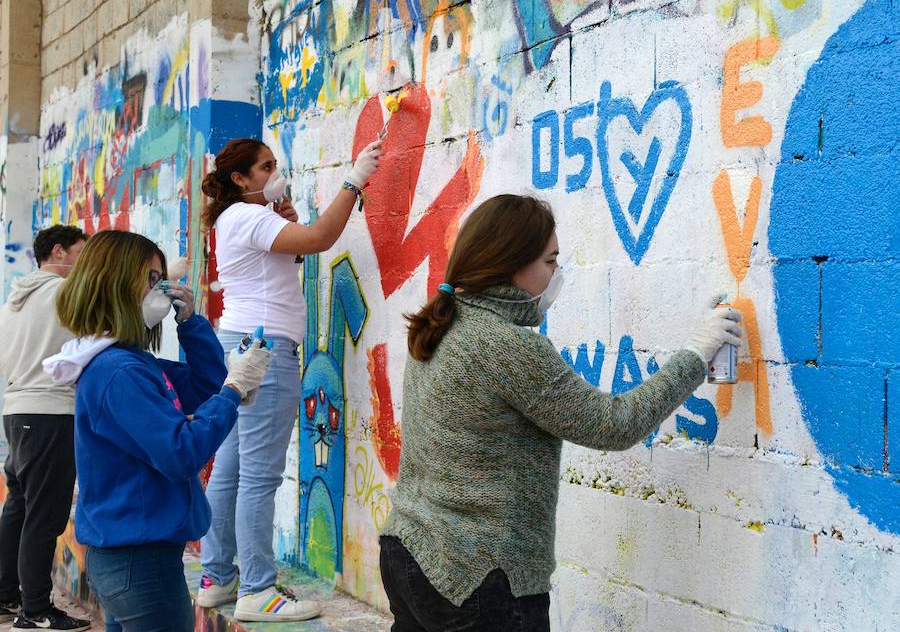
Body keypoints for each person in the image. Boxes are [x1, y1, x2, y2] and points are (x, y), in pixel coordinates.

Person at [379, 194, 743, 631]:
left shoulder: (443, 323)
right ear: (512, 263)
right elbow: (614, 425)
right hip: (478, 578)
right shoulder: (505, 345)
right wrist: (696, 354)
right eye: (551, 262)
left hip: (410, 552)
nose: (557, 274)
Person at [44, 230, 271, 632]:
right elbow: (181, 452)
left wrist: (191, 325)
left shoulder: (133, 362)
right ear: (116, 283)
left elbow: (205, 389)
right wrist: (234, 390)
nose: (163, 289)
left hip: (137, 555)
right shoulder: (119, 371)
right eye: (152, 279)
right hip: (138, 560)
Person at [197, 137, 383, 621]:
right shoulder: (249, 217)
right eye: (265, 167)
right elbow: (321, 239)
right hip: (266, 348)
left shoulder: (237, 219)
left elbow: (290, 253)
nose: (275, 171)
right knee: (257, 475)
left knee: (232, 467)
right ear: (241, 180)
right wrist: (354, 178)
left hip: (241, 342)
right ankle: (258, 589)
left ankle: (217, 577)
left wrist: (284, 218)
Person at [0, 225, 90, 631]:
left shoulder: (15, 300)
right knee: (44, 517)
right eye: (81, 253)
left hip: (18, 412)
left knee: (19, 508)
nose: (86, 263)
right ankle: (35, 611)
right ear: (59, 251)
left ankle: (6, 596)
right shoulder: (63, 293)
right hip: (51, 413)